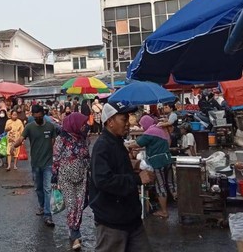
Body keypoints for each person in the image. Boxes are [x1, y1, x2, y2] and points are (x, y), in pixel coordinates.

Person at [90, 101, 154, 252]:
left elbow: (116, 168)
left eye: (128, 118)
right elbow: (103, 180)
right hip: (112, 221)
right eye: (123, 119)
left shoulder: (117, 141)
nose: (128, 124)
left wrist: (133, 165)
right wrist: (137, 179)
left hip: (130, 217)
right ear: (110, 121)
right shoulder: (102, 146)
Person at [13, 104, 58, 227]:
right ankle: (42, 206)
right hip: (35, 163)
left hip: (48, 163)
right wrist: (14, 145)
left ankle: (48, 215)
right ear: (32, 115)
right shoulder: (29, 127)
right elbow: (21, 139)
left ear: (43, 115)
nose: (38, 118)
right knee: (38, 188)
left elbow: (53, 142)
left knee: (47, 188)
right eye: (36, 116)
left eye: (40, 116)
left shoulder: (50, 126)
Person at [52, 112, 90, 250]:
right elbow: (55, 159)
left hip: (82, 176)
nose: (85, 126)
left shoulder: (83, 138)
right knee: (72, 204)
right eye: (83, 124)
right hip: (66, 177)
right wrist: (54, 179)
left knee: (80, 205)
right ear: (75, 124)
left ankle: (73, 227)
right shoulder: (61, 139)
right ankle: (75, 235)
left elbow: (87, 156)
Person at [133, 115, 176, 219]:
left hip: (158, 162)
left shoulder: (150, 132)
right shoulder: (159, 129)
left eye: (142, 125)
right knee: (171, 185)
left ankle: (164, 212)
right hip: (167, 159)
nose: (142, 127)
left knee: (160, 186)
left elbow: (138, 143)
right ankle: (182, 206)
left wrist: (127, 145)